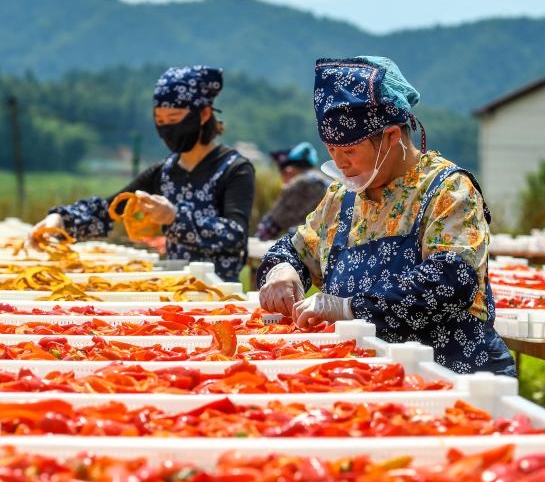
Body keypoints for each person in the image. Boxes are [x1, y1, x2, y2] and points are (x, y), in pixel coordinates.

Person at [257, 55, 515, 375]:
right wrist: (283, 271)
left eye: (350, 151)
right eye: (331, 151)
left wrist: (349, 307)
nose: (340, 164)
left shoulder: (447, 190)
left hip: (450, 374)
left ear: (391, 137)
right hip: (369, 375)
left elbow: (452, 280)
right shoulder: (343, 196)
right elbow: (297, 248)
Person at [26, 65, 255, 281]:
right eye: (160, 121)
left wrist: (174, 217)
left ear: (204, 114)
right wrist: (61, 220)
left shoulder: (234, 169)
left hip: (222, 291)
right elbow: (111, 209)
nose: (167, 128)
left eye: (174, 119)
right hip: (178, 288)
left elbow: (235, 236)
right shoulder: (164, 172)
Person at [255, 141, 329, 241]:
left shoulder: (300, 183)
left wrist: (257, 240)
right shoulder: (326, 182)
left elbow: (273, 223)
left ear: (289, 170)